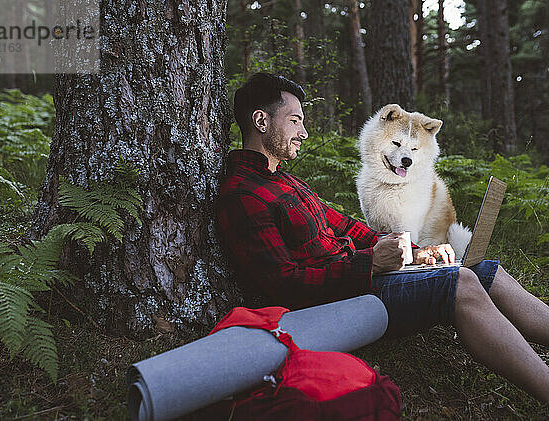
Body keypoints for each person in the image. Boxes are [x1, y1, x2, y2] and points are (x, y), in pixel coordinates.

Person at [216, 72, 549, 403]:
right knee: (460, 282)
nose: (303, 132)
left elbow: (346, 226)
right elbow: (283, 283)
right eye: (295, 120)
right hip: (343, 303)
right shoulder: (243, 194)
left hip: (360, 278)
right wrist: (370, 264)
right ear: (261, 120)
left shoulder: (285, 181)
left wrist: (417, 253)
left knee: (484, 269)